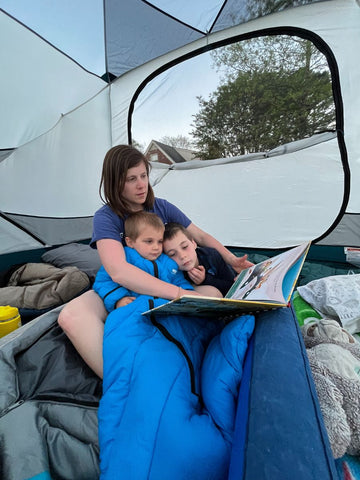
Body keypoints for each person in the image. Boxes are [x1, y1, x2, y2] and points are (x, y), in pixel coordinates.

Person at [58, 144, 252, 378]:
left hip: (171, 280)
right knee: (71, 316)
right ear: (115, 182)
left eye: (143, 176)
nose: (141, 185)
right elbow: (118, 271)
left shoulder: (161, 207)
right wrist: (178, 295)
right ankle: (120, 380)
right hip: (124, 289)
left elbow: (199, 236)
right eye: (131, 179)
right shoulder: (106, 217)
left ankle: (189, 360)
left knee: (213, 294)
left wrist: (231, 260)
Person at [93, 212, 198, 312]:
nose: (156, 247)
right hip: (134, 308)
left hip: (165, 308)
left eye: (160, 241)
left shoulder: (167, 262)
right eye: (149, 241)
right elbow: (104, 281)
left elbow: (179, 281)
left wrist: (190, 295)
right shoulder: (125, 258)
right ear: (130, 242)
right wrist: (119, 299)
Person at [163, 222, 237, 297]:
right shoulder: (173, 272)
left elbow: (232, 287)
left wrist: (205, 280)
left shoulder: (211, 255)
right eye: (172, 254)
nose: (182, 256)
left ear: (194, 243)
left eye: (185, 247)